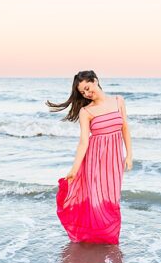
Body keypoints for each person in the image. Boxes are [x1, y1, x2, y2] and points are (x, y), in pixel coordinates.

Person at [47, 70, 133, 244]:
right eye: (82, 92)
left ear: (95, 81)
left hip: (114, 158)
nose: (86, 93)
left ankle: (107, 237)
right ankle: (97, 237)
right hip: (95, 159)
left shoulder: (118, 101)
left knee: (111, 197)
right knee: (96, 197)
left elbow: (124, 127)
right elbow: (83, 143)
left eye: (87, 88)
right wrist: (74, 169)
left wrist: (129, 154)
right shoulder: (86, 111)